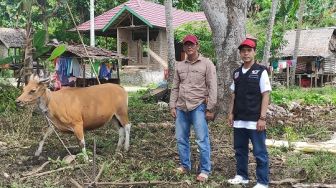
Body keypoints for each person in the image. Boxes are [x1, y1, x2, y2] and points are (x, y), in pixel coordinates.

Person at [169, 34, 217, 182]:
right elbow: (175, 87)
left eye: (192, 44)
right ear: (184, 47)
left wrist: (210, 108)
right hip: (181, 107)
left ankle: (205, 170)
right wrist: (172, 105)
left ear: (197, 46)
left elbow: (212, 86)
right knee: (181, 138)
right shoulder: (180, 65)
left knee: (202, 140)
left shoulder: (207, 64)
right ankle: (185, 165)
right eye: (186, 45)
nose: (189, 47)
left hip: (198, 107)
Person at [227, 38, 271, 188]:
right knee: (240, 150)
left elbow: (266, 94)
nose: (246, 53)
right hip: (239, 119)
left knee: (260, 152)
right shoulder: (237, 73)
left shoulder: (261, 71)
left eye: (249, 50)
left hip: (255, 120)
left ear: (254, 52)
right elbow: (233, 94)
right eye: (243, 51)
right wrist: (231, 113)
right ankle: (242, 176)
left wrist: (262, 118)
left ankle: (262, 182)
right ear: (240, 53)